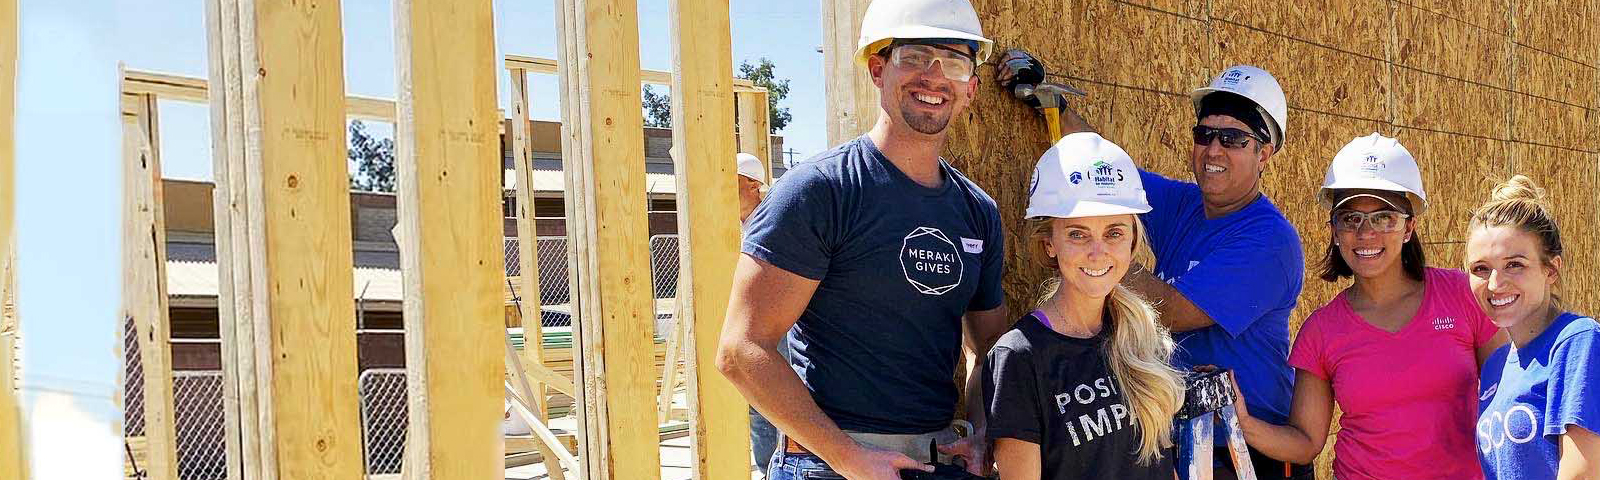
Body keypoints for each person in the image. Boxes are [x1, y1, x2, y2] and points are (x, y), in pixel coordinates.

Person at [716, 0, 1011, 479]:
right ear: (878, 69)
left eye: (954, 61)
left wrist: (980, 431)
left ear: (970, 88)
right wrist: (848, 457)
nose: (934, 77)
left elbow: (988, 347)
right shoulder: (821, 192)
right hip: (831, 463)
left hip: (937, 461)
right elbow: (741, 350)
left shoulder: (977, 212)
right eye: (914, 57)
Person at [1001, 55, 1307, 478]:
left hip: (1245, 457)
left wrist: (1094, 252)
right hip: (1180, 444)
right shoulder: (1184, 204)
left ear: (1265, 153)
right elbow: (1108, 177)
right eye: (1205, 134)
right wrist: (1053, 106)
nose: (1214, 149)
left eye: (1233, 139)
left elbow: (1171, 312)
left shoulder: (1270, 241)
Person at [1227, 133, 1504, 479]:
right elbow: (1306, 441)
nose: (1366, 234)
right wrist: (1244, 424)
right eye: (1351, 218)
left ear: (1409, 228)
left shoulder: (1464, 296)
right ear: (1334, 230)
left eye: (1383, 218)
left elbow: (1509, 395)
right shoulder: (1321, 331)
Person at [985, 132, 1184, 480]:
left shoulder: (1141, 335)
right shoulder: (1020, 357)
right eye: (1078, 234)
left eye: (1114, 233)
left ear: (1132, 241)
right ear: (1050, 244)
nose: (1098, 252)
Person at [1467, 175, 1600, 480]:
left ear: (1551, 269)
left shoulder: (1577, 341)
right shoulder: (1495, 367)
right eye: (1481, 268)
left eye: (1514, 264)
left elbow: (1582, 474)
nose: (1495, 283)